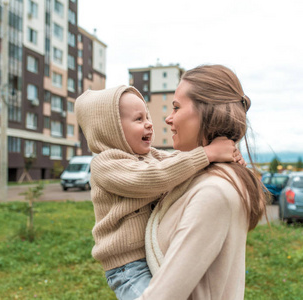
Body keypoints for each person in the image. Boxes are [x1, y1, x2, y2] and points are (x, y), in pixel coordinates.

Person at [74, 85, 243, 300]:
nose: (149, 124)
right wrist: (208, 153)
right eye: (138, 119)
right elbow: (153, 177)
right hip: (128, 269)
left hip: (149, 257)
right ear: (111, 129)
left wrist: (225, 157)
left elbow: (175, 162)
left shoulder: (148, 155)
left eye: (147, 116)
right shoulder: (106, 164)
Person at [139, 65, 267, 300]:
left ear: (207, 112)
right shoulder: (204, 178)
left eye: (176, 107)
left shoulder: (213, 191)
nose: (169, 118)